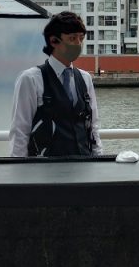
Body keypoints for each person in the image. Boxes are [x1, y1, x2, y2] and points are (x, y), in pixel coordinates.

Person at [9, 11, 102, 157]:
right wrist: (18, 166)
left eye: (81, 38)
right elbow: (20, 131)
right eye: (72, 38)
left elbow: (93, 126)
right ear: (53, 41)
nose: (78, 44)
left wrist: (98, 160)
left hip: (83, 164)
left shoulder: (85, 78)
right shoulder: (31, 79)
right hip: (45, 166)